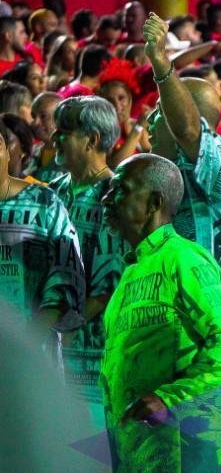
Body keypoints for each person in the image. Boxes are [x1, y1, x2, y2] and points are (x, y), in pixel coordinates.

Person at [99, 153, 221, 471]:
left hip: (189, 448)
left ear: (154, 203)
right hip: (145, 454)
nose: (106, 199)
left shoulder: (184, 258)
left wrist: (170, 397)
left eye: (120, 190)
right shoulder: (132, 270)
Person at [142, 13, 221, 337]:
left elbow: (187, 130)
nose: (150, 121)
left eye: (161, 111)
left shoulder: (220, 156)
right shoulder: (173, 170)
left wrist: (161, 64)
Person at [47, 96, 129, 407]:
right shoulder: (52, 192)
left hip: (93, 355)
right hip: (51, 349)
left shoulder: (116, 197)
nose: (54, 138)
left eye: (64, 131)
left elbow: (111, 283)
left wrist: (64, 326)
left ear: (92, 140)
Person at [0, 118, 85, 341]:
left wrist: (30, 341)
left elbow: (67, 276)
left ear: (7, 152)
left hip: (31, 347)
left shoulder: (44, 202)